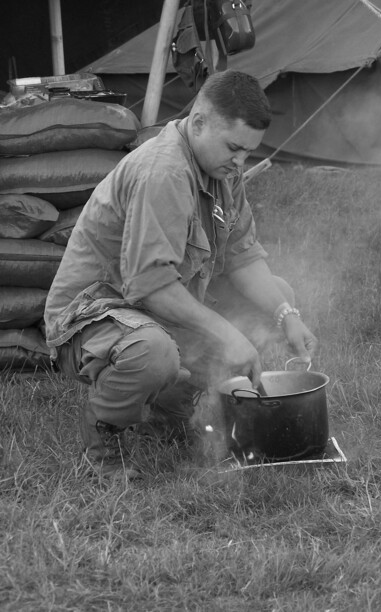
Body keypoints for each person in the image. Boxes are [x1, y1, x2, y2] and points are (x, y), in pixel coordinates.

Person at [44, 70, 317, 479]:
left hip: (151, 308)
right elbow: (150, 287)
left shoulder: (225, 172)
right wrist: (229, 335)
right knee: (154, 352)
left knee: (275, 292)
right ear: (199, 121)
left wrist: (286, 315)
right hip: (92, 315)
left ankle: (167, 414)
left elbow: (243, 257)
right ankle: (104, 441)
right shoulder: (165, 172)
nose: (241, 162)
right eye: (234, 148)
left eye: (249, 152)